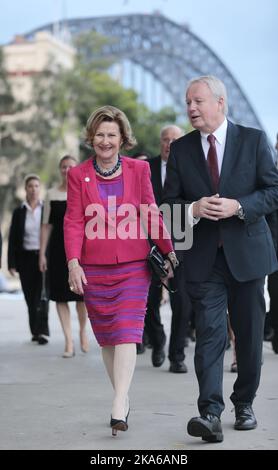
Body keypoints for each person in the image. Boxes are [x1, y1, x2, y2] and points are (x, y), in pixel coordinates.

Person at [163, 75, 278, 443]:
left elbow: (273, 191)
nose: (191, 108)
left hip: (247, 255)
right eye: (187, 102)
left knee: (247, 336)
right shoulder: (180, 150)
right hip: (203, 259)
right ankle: (210, 412)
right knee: (211, 335)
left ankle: (244, 403)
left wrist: (240, 206)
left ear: (220, 102)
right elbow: (168, 205)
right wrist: (194, 208)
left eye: (197, 101)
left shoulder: (254, 140)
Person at [63, 105, 177, 436]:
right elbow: (73, 221)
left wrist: (168, 250)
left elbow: (151, 212)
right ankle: (123, 398)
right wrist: (73, 262)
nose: (105, 140)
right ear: (91, 138)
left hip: (132, 266)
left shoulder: (139, 171)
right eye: (99, 134)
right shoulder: (77, 175)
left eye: (112, 134)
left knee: (127, 330)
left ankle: (117, 403)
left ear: (123, 137)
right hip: (93, 267)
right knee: (108, 339)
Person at [144, 125, 193, 373]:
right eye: (165, 139)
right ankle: (158, 338)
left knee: (182, 303)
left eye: (175, 139)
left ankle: (177, 356)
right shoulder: (145, 168)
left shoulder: (190, 169)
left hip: (182, 244)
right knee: (149, 301)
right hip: (148, 244)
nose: (169, 144)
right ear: (160, 142)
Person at [39, 156, 89, 358]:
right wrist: (42, 253)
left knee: (81, 296)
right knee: (60, 296)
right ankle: (68, 341)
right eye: (63, 167)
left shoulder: (83, 189)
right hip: (57, 251)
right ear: (59, 170)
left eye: (71, 166)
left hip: (80, 249)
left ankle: (83, 331)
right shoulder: (51, 194)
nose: (67, 170)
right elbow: (46, 225)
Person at [8, 174, 49, 344]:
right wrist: (11, 263)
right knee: (29, 296)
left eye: (36, 186)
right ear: (26, 189)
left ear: (40, 189)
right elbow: (12, 239)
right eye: (30, 186)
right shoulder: (19, 212)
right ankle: (35, 330)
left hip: (42, 258)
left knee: (41, 295)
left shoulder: (45, 209)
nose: (33, 189)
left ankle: (41, 332)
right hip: (25, 259)